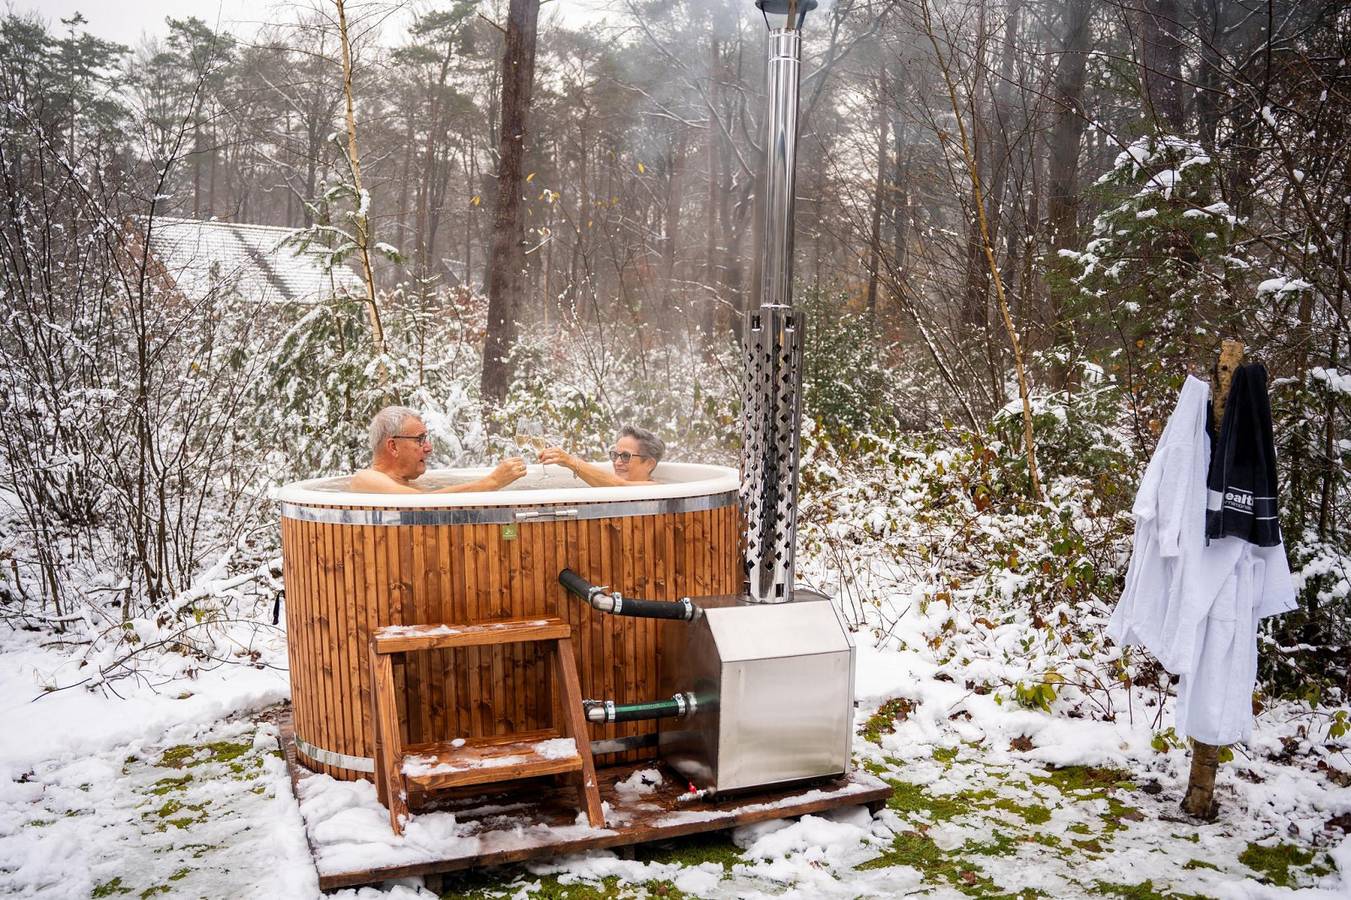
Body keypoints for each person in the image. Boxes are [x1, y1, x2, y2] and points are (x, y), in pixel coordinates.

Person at [350, 406, 527, 493]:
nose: (428, 448)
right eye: (420, 439)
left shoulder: (409, 485)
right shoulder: (366, 479)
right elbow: (420, 504)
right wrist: (491, 482)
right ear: (393, 446)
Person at [539, 425, 664, 486]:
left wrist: (570, 461)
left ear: (649, 464)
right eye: (615, 455)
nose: (617, 462)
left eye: (626, 456)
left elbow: (619, 485)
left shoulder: (654, 489)